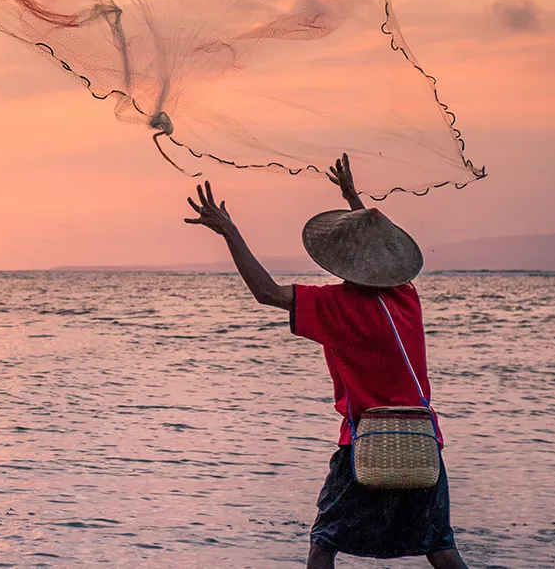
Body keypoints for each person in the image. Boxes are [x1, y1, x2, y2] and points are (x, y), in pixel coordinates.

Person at [184, 154, 468, 569]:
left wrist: (229, 232)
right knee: (440, 548)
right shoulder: (407, 295)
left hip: (365, 443)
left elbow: (266, 292)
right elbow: (379, 251)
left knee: (323, 545)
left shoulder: (335, 305)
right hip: (423, 441)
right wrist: (354, 198)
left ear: (341, 260)